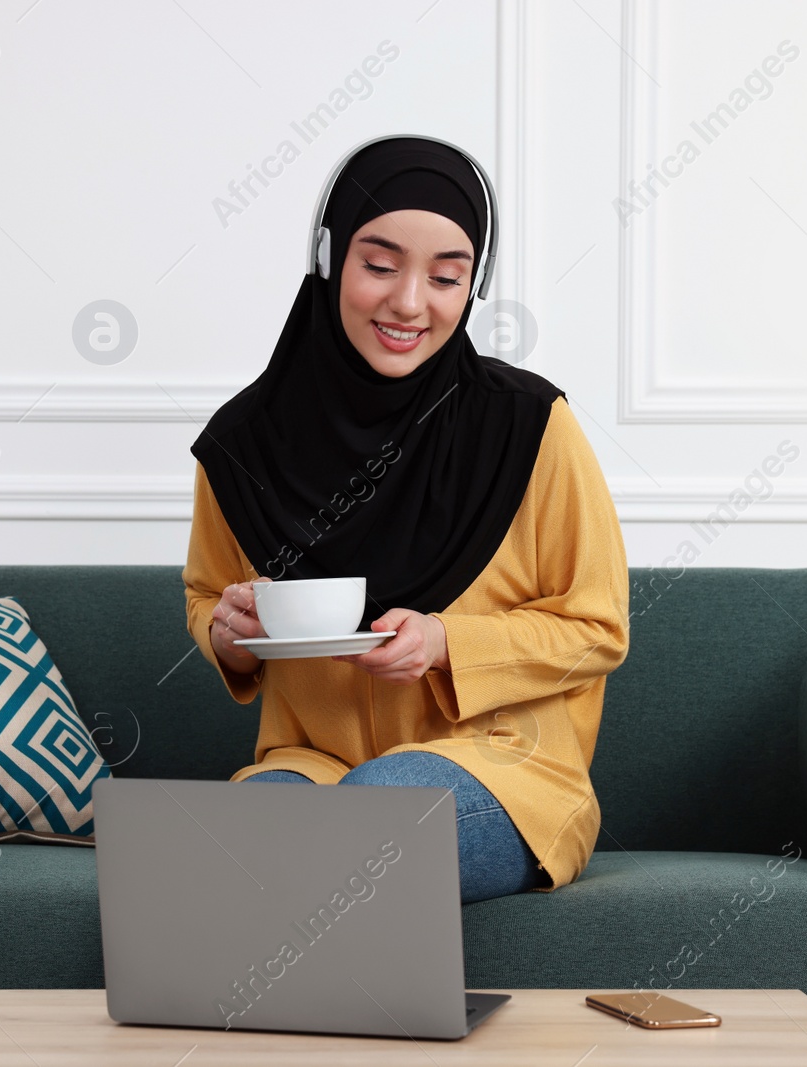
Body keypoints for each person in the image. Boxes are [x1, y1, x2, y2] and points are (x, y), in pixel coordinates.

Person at [181, 135, 629, 904]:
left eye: (447, 277)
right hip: (310, 762)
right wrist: (226, 634)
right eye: (380, 265)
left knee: (370, 817)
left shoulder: (527, 426)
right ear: (328, 262)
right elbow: (210, 595)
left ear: (472, 287)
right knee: (229, 849)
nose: (410, 302)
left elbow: (598, 627)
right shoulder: (244, 443)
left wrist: (448, 642)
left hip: (501, 767)